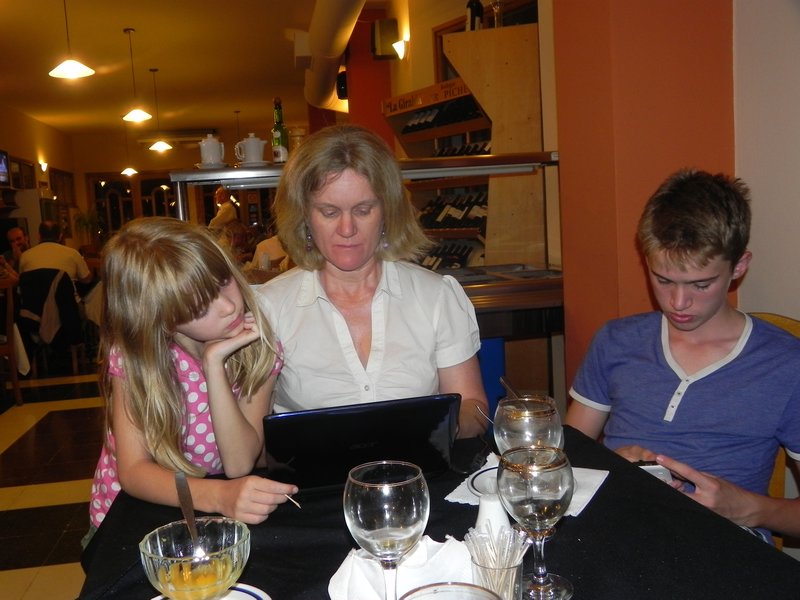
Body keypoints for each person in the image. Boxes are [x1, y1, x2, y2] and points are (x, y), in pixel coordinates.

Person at [565, 169, 800, 541]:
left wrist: (748, 507)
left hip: (721, 546)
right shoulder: (616, 341)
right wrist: (608, 466)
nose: (678, 303)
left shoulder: (787, 365)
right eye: (663, 280)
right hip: (614, 528)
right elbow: (564, 463)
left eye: (700, 284)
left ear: (739, 267)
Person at [256, 124, 488, 438]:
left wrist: (440, 427)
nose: (347, 228)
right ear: (304, 216)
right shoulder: (270, 307)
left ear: (387, 212)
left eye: (363, 210)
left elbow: (474, 405)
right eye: (329, 212)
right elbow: (251, 438)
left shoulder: (435, 296)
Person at [86, 217, 297, 545]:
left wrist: (214, 366)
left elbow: (240, 463)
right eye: (199, 307)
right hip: (134, 517)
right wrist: (219, 496)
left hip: (212, 504)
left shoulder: (259, 347)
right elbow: (134, 472)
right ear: (161, 318)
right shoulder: (136, 357)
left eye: (224, 281)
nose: (229, 307)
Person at [18, 220, 92, 285]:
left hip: (35, 301)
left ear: (39, 236)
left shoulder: (25, 256)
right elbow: (86, 280)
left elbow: (22, 284)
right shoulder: (72, 253)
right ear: (60, 236)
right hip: (64, 300)